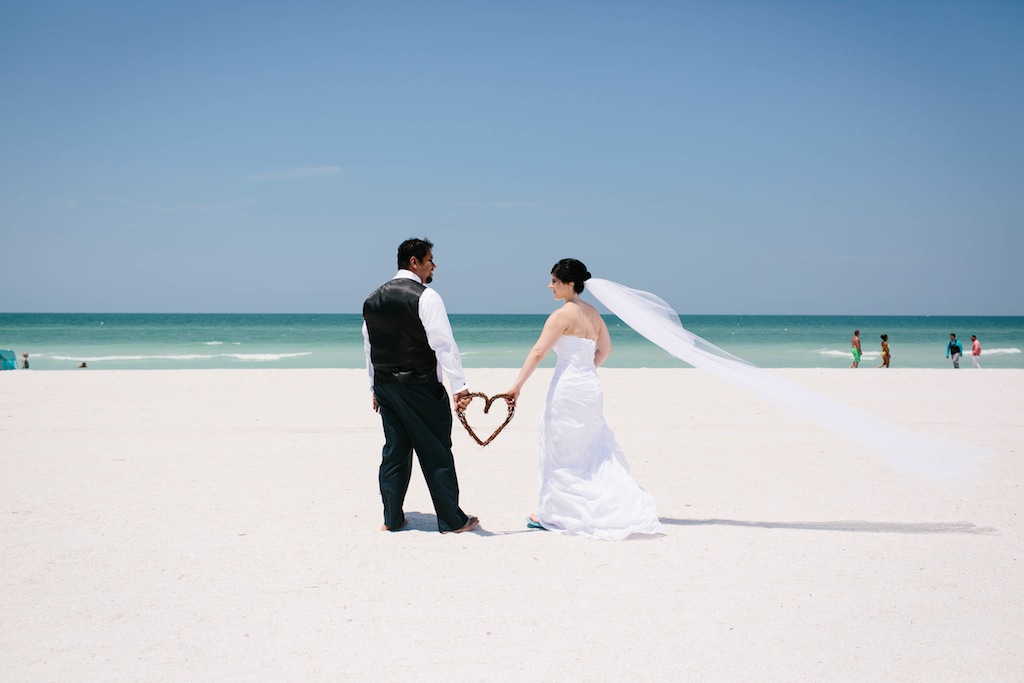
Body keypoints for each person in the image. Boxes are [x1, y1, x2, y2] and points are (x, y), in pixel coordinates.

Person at [505, 258, 663, 540]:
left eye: (554, 280)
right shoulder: (593, 314)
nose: (550, 286)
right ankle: (587, 504)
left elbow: (538, 352)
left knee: (561, 446)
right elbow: (606, 349)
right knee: (590, 446)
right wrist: (586, 370)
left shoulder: (562, 315)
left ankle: (553, 512)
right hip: (589, 387)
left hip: (567, 388)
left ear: (569, 283)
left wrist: (517, 386)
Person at [361, 238, 479, 534]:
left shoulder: (371, 299)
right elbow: (443, 344)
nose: (433, 265)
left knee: (395, 452)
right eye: (429, 260)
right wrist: (459, 387)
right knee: (436, 451)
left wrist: (373, 388)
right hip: (420, 386)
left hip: (386, 386)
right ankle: (452, 521)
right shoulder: (426, 296)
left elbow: (369, 347)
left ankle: (392, 518)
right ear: (414, 262)